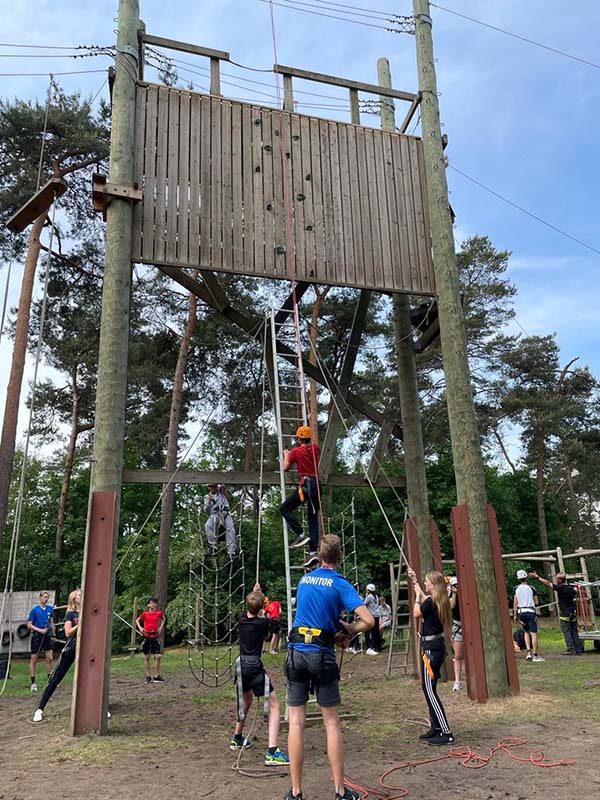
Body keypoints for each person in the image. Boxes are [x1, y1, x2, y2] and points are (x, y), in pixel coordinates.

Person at [283, 533, 374, 800]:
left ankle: (296, 792)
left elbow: (311, 618)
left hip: (296, 652)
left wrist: (331, 632)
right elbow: (368, 620)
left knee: (296, 723)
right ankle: (340, 791)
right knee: (331, 723)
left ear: (319, 556)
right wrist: (349, 628)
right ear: (339, 556)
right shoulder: (339, 583)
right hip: (321, 656)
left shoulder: (303, 580)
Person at [231, 583, 289, 766]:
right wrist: (264, 609)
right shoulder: (263, 622)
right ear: (261, 608)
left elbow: (248, 610)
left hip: (241, 667)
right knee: (274, 705)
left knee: (245, 702)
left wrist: (255, 594)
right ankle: (272, 751)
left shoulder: (241, 620)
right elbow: (275, 625)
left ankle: (237, 737)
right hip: (254, 667)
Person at [407, 567, 454, 746]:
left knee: (430, 691)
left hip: (431, 650)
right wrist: (415, 583)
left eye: (427, 581)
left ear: (433, 584)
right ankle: (436, 728)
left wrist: (416, 599)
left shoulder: (429, 602)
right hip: (435, 647)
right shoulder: (438, 600)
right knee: (429, 689)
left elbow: (417, 612)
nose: (425, 583)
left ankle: (446, 732)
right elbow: (424, 598)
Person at [33, 589, 80, 722]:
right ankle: (40, 708)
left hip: (85, 648)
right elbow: (68, 633)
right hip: (72, 647)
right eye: (79, 595)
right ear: (74, 598)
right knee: (56, 677)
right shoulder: (70, 613)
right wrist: (79, 624)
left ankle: (99, 708)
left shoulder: (88, 612)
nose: (82, 596)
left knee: (90, 678)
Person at [280, 425, 321, 569]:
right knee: (312, 519)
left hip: (306, 486)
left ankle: (301, 533)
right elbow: (312, 450)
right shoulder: (316, 448)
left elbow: (285, 467)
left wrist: (286, 454)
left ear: (298, 438)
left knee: (285, 508)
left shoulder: (295, 451)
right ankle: (313, 551)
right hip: (316, 486)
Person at [530, 570, 584, 655]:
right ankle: (578, 649)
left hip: (565, 613)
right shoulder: (571, 588)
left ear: (559, 581)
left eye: (557, 579)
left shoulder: (560, 588)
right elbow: (576, 590)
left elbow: (547, 583)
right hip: (573, 612)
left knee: (566, 631)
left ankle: (570, 649)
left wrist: (537, 577)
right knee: (574, 631)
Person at [512, 569, 544, 662]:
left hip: (521, 612)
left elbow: (515, 602)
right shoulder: (532, 588)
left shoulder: (516, 589)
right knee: (533, 633)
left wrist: (515, 615)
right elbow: (536, 601)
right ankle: (535, 655)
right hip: (530, 611)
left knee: (526, 632)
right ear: (526, 578)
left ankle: (528, 653)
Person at [27, 591, 55, 692]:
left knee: (50, 658)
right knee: (34, 659)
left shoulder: (50, 609)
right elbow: (29, 625)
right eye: (44, 597)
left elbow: (51, 622)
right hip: (37, 636)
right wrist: (40, 630)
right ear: (40, 598)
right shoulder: (34, 610)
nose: (46, 599)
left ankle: (49, 680)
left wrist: (53, 633)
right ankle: (33, 682)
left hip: (47, 636)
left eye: (47, 597)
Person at [136, 597, 166, 683]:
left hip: (155, 636)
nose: (153, 604)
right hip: (146, 636)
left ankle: (157, 676)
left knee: (158, 656)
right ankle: (148, 676)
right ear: (148, 605)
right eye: (151, 603)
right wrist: (140, 628)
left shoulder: (158, 613)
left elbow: (163, 618)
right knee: (147, 657)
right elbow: (137, 620)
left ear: (156, 605)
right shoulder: (145, 614)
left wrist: (160, 627)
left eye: (154, 603)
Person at [204, 484, 237, 557]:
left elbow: (228, 494)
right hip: (215, 514)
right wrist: (209, 501)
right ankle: (212, 546)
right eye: (211, 487)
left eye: (214, 486)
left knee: (231, 529)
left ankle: (231, 551)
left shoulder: (221, 492)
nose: (213, 488)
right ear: (209, 488)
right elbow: (206, 510)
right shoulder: (207, 497)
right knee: (208, 525)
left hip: (225, 513)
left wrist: (223, 487)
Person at [448, 576, 463, 691]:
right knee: (457, 655)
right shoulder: (451, 596)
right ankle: (457, 681)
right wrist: (455, 594)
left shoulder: (466, 593)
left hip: (468, 625)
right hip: (458, 626)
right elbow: (451, 605)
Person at [364, 584, 382, 655]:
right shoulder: (376, 596)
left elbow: (364, 604)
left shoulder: (369, 597)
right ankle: (378, 646)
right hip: (377, 615)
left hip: (372, 616)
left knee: (369, 631)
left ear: (369, 590)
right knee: (376, 631)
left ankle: (370, 647)